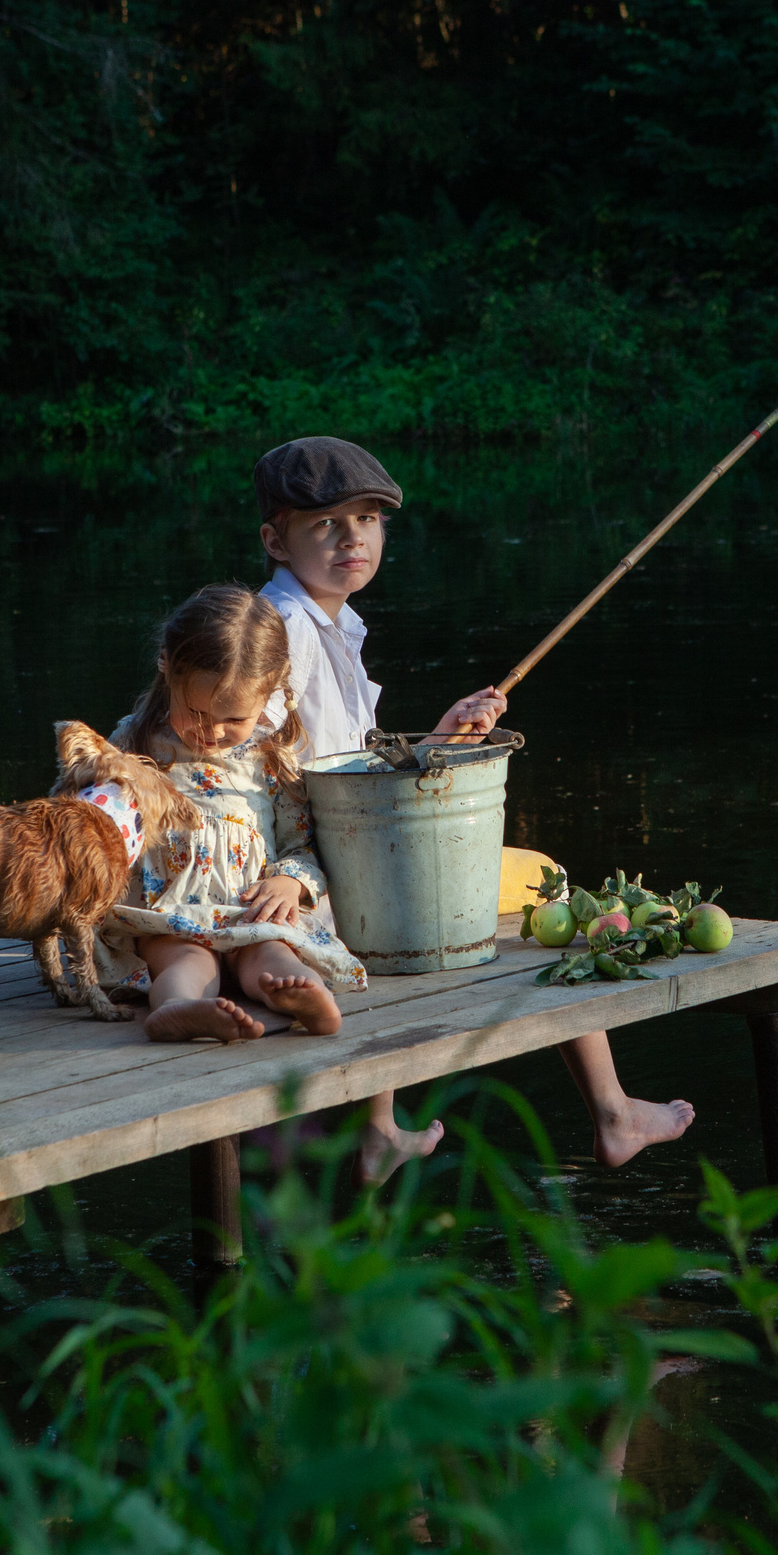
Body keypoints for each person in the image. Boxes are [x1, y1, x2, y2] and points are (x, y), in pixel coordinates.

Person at [252, 436, 696, 1171]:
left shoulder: (327, 622)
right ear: (276, 540)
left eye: (367, 520)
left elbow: (351, 767)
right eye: (325, 523)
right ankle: (613, 1113)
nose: (352, 538)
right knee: (547, 883)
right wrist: (291, 871)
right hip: (320, 868)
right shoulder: (285, 631)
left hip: (341, 851)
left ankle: (378, 1128)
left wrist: (438, 741)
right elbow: (268, 768)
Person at [94, 583, 367, 1044]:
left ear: (271, 691)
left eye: (235, 719)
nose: (214, 731)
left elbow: (300, 843)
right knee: (185, 961)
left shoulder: (272, 757)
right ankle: (180, 1008)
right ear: (167, 667)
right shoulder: (132, 745)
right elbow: (94, 823)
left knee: (272, 955)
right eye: (196, 712)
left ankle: (307, 997)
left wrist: (291, 882)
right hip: (169, 911)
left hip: (249, 910)